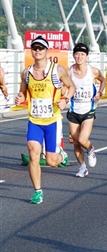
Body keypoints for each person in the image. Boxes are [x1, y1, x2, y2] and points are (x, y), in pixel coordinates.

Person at [15, 35, 76, 204]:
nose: (37, 51)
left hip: (52, 120)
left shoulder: (57, 70)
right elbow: (23, 93)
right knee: (33, 154)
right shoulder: (26, 72)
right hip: (34, 120)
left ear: (46, 51)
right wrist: (20, 98)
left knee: (51, 161)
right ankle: (37, 191)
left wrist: (65, 99)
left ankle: (61, 156)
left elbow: (72, 87)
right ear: (31, 51)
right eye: (34, 48)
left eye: (40, 48)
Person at [67, 43, 106, 178]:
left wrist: (99, 93)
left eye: (82, 54)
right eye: (77, 54)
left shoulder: (93, 71)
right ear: (73, 56)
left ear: (87, 57)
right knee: (76, 141)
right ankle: (82, 167)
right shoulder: (69, 71)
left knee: (83, 139)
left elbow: (103, 80)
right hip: (73, 110)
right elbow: (61, 84)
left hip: (88, 110)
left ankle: (90, 149)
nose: (79, 57)